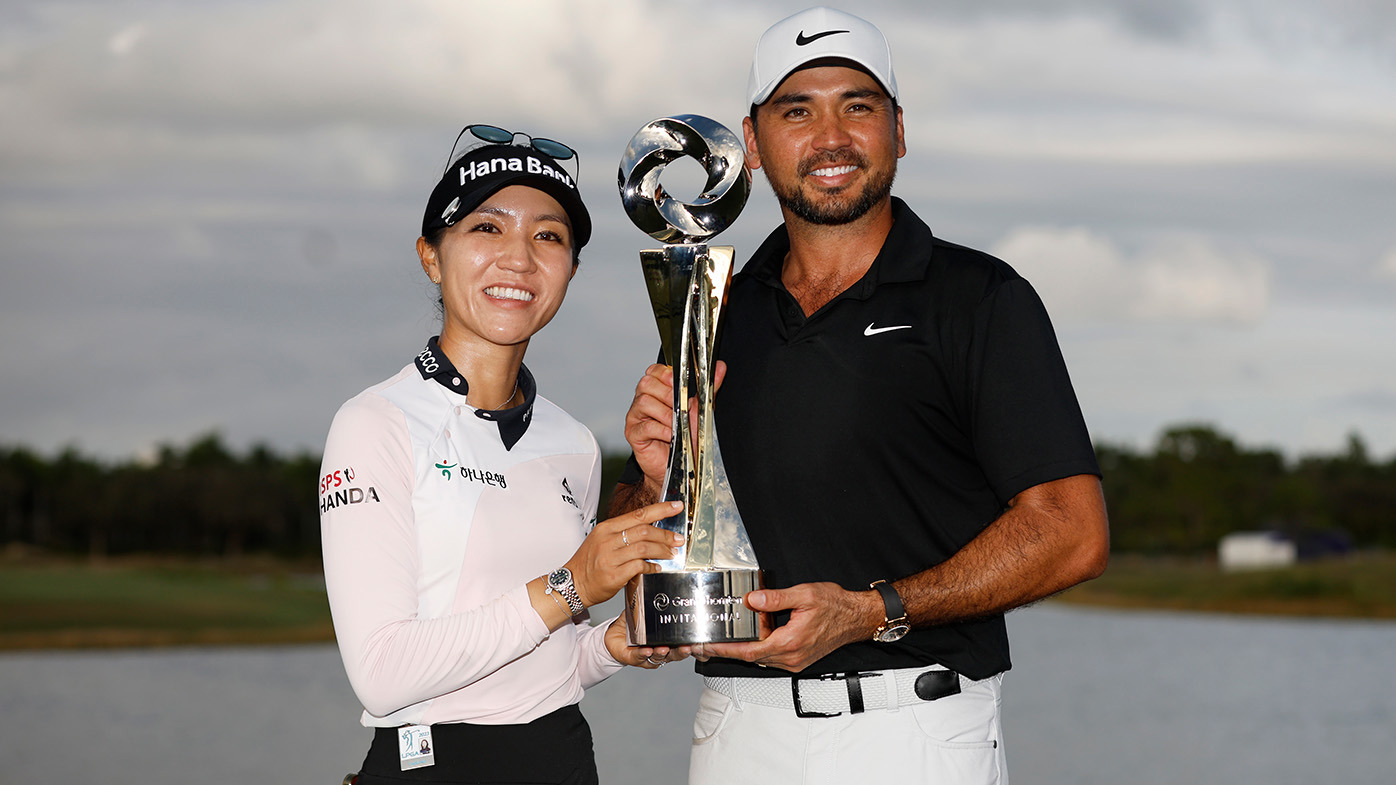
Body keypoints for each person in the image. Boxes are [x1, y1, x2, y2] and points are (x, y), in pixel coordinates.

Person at [611, 8, 1110, 784]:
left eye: (858, 106)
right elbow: (655, 559)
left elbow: (1073, 532)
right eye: (797, 111)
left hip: (914, 726)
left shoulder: (979, 299)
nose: (831, 136)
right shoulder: (712, 311)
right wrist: (656, 481)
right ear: (753, 140)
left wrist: (871, 610)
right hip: (738, 729)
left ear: (899, 130)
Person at [320, 124, 690, 785]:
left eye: (548, 235)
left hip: (562, 758)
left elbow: (544, 663)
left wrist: (614, 642)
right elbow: (382, 674)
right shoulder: (375, 423)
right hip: (429, 765)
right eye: (487, 228)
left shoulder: (572, 441)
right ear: (432, 256)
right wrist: (571, 583)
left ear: (570, 270)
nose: (519, 257)